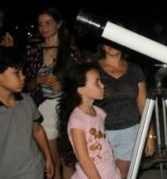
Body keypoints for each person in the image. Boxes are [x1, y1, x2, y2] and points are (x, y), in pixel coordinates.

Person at [25, 7, 81, 178]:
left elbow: (80, 82)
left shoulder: (71, 52)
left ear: (59, 24)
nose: (43, 27)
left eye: (48, 23)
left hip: (67, 109)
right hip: (43, 111)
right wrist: (39, 81)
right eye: (40, 24)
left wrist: (65, 86)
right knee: (51, 159)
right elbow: (25, 86)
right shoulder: (33, 50)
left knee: (68, 159)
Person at [0, 46, 54, 179]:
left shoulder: (27, 100)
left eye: (22, 72)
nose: (23, 77)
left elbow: (37, 130)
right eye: (16, 72)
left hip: (35, 170)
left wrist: (48, 157)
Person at [96, 40, 155, 179]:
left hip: (130, 131)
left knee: (123, 175)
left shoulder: (134, 69)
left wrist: (150, 135)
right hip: (101, 131)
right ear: (102, 45)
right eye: (107, 41)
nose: (111, 44)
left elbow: (143, 105)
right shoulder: (92, 69)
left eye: (115, 40)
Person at [57, 62, 121, 179]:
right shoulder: (77, 120)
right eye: (97, 82)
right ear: (81, 90)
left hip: (109, 172)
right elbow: (84, 159)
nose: (102, 85)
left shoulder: (99, 113)